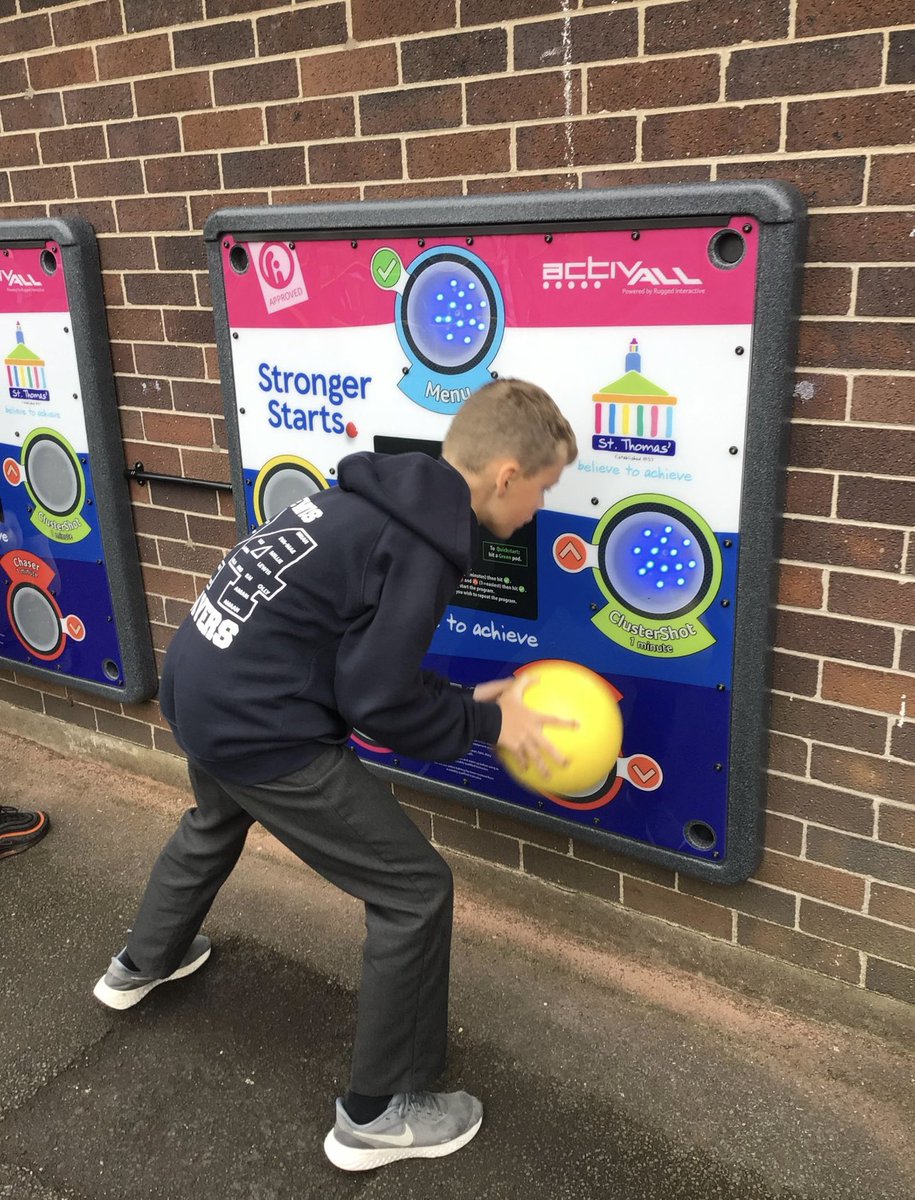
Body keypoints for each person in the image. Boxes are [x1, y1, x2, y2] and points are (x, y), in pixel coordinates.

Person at [93, 378, 577, 1171]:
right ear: (505, 478)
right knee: (414, 890)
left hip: (199, 685)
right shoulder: (425, 545)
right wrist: (491, 721)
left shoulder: (361, 501)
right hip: (259, 722)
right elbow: (379, 700)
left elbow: (353, 661)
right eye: (544, 491)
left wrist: (461, 701)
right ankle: (379, 1112)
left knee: (214, 819)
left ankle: (140, 965)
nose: (538, 512)